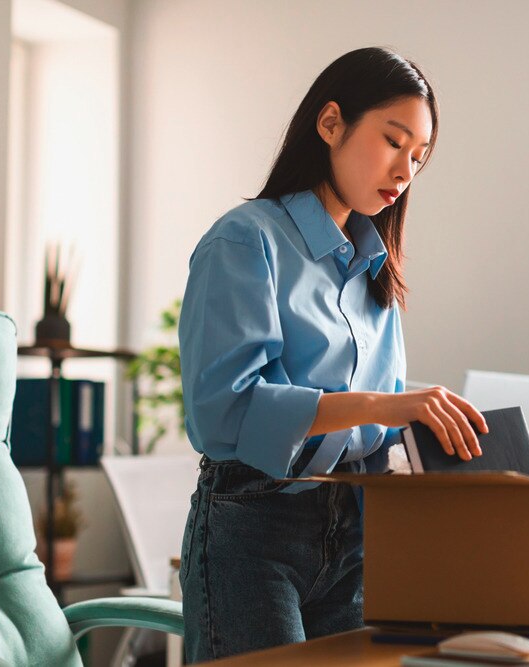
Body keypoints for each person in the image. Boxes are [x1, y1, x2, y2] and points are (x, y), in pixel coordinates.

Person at [177, 46, 489, 662]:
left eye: (419, 157)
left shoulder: (378, 271)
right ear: (330, 124)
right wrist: (388, 403)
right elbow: (223, 412)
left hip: (354, 529)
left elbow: (377, 426)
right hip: (254, 527)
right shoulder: (245, 240)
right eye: (393, 141)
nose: (405, 171)